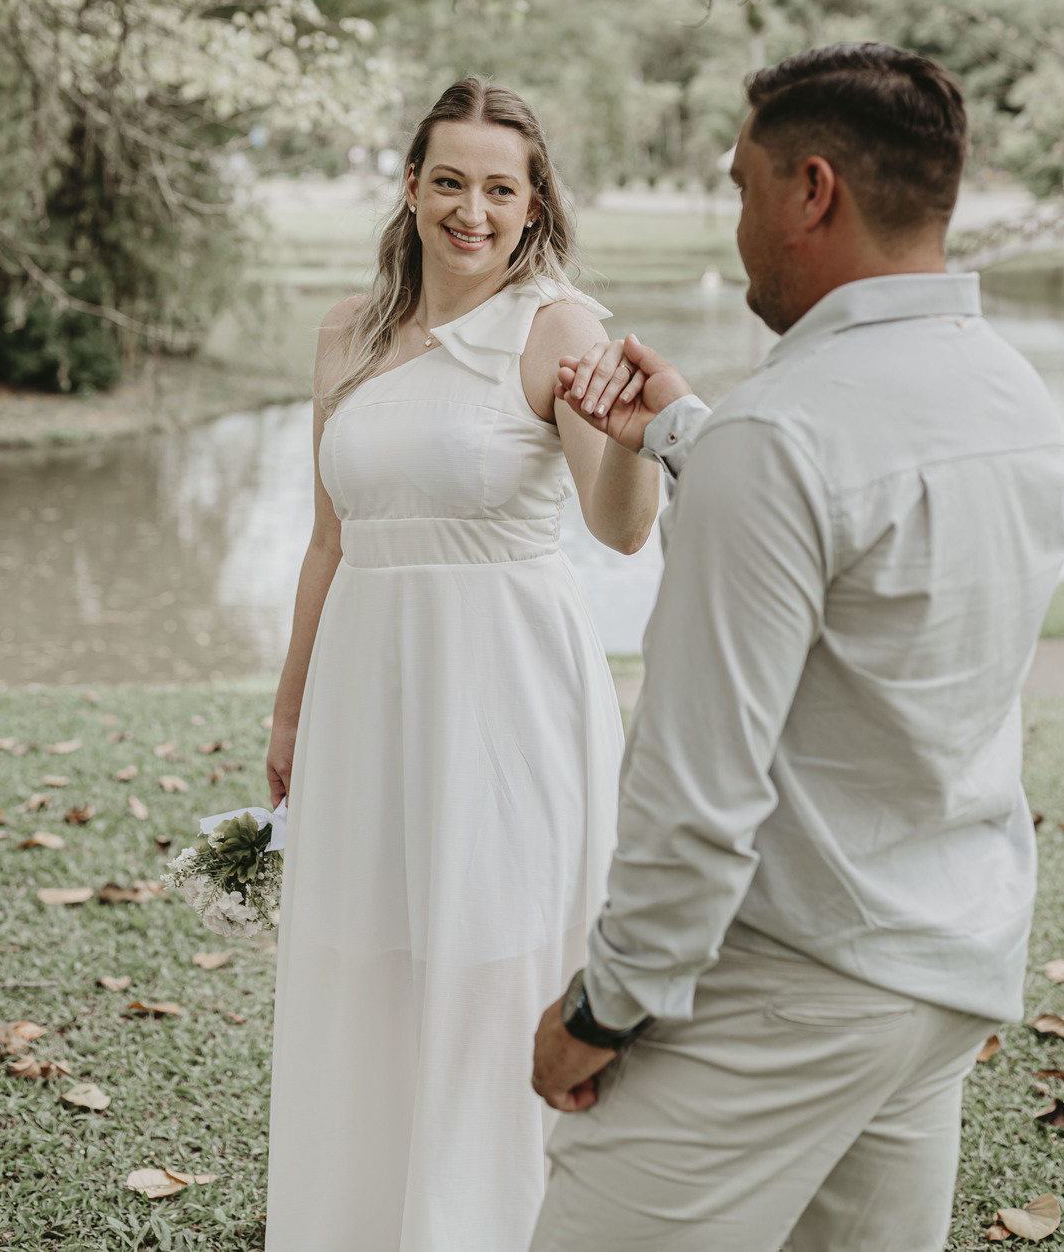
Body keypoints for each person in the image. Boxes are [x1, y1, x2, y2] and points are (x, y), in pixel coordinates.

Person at [529, 43, 1064, 1252]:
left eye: (742, 185)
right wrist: (687, 430)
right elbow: (874, 576)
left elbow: (697, 789)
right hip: (945, 973)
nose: (736, 223)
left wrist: (605, 1006)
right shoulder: (1016, 404)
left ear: (812, 189)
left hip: (780, 990)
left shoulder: (781, 435)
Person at [264, 77, 660, 1252]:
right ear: (410, 185)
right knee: (372, 958)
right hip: (366, 692)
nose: (470, 211)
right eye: (448, 181)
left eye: (499, 187)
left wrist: (636, 443)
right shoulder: (346, 332)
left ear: (533, 203)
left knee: (494, 958)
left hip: (506, 699)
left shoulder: (558, 329)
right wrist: (290, 713)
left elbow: (619, 527)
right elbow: (329, 537)